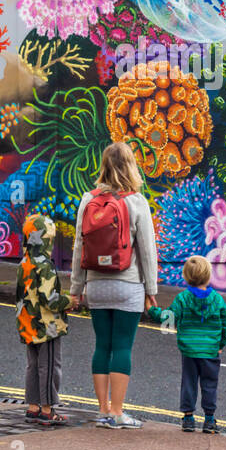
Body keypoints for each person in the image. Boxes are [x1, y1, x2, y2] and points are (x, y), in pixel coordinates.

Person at [69, 141, 158, 429]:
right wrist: (151, 291)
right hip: (127, 285)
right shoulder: (136, 202)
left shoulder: (88, 199)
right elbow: (147, 251)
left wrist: (76, 288)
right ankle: (118, 413)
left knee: (102, 346)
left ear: (104, 165)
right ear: (130, 165)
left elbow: (79, 246)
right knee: (122, 346)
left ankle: (103, 410)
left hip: (96, 285)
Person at [147, 254, 226, 433]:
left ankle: (188, 418)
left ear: (186, 276)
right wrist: (221, 344)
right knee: (209, 384)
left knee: (189, 383)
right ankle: (209, 420)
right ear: (208, 275)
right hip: (211, 351)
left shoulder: (182, 299)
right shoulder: (217, 299)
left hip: (189, 351)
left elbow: (168, 317)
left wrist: (151, 310)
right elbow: (225, 324)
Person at [16, 213, 70, 427]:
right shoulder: (44, 265)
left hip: (28, 323)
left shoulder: (24, 262)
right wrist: (70, 301)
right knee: (49, 367)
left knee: (33, 365)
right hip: (47, 326)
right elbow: (50, 300)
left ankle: (33, 407)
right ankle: (48, 410)